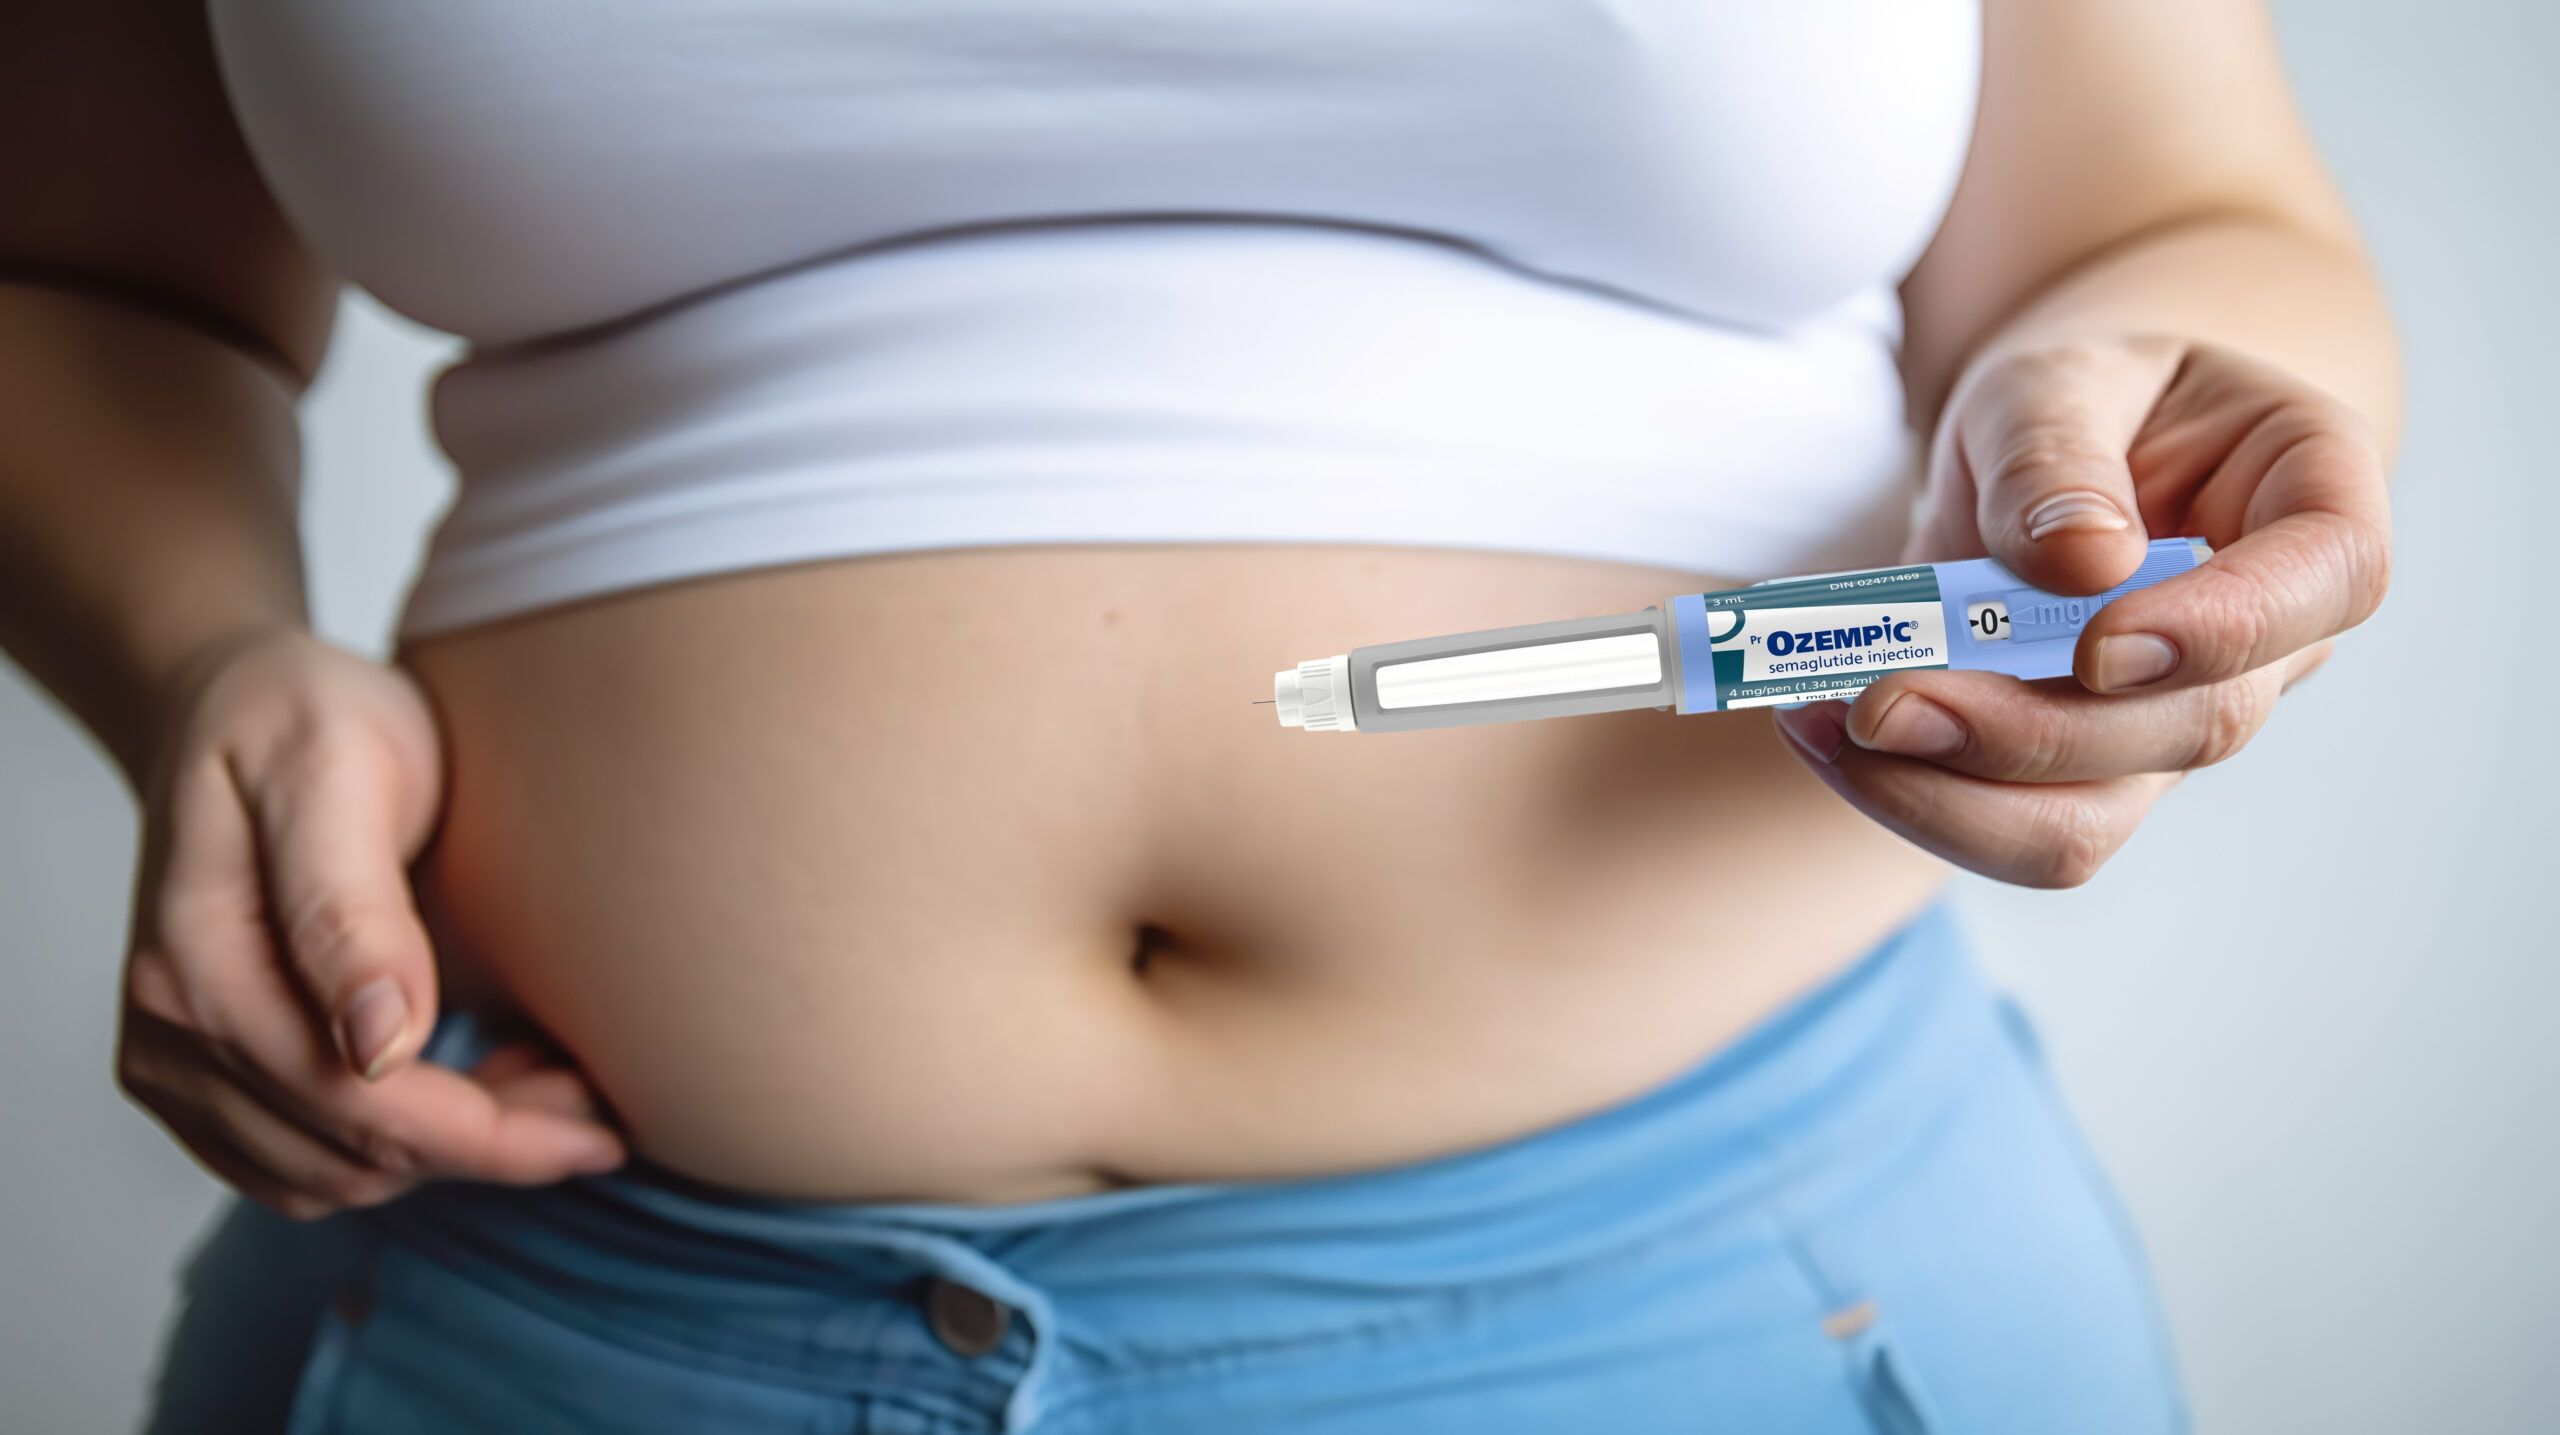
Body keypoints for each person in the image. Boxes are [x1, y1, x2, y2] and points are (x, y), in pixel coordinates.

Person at [0, 1, 2395, 1430]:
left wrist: (2151, 443)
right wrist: (206, 662)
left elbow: (2162, 206)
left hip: (1725, 1296)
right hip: (560, 1316)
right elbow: (87, 277)